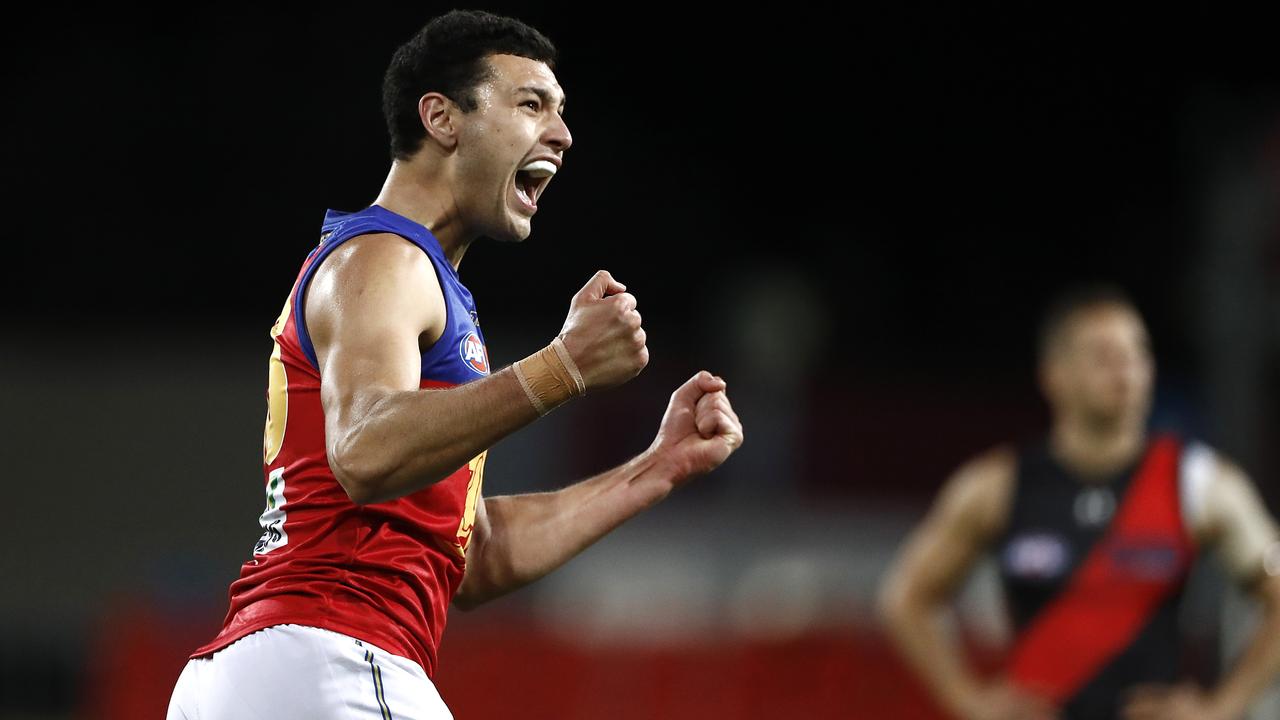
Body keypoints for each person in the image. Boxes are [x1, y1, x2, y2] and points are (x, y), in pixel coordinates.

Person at [166, 10, 743, 720]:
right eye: (532, 104)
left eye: (561, 112)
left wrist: (660, 466)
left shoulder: (413, 280)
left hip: (285, 671)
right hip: (332, 656)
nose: (561, 135)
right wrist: (564, 365)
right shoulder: (383, 257)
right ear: (441, 118)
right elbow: (366, 449)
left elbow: (472, 556)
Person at [877, 286, 1280, 720]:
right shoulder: (997, 486)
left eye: (1137, 353)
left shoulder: (1202, 484)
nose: (1125, 370)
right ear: (1054, 374)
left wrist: (1222, 707)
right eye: (1103, 356)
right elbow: (905, 598)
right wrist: (967, 699)